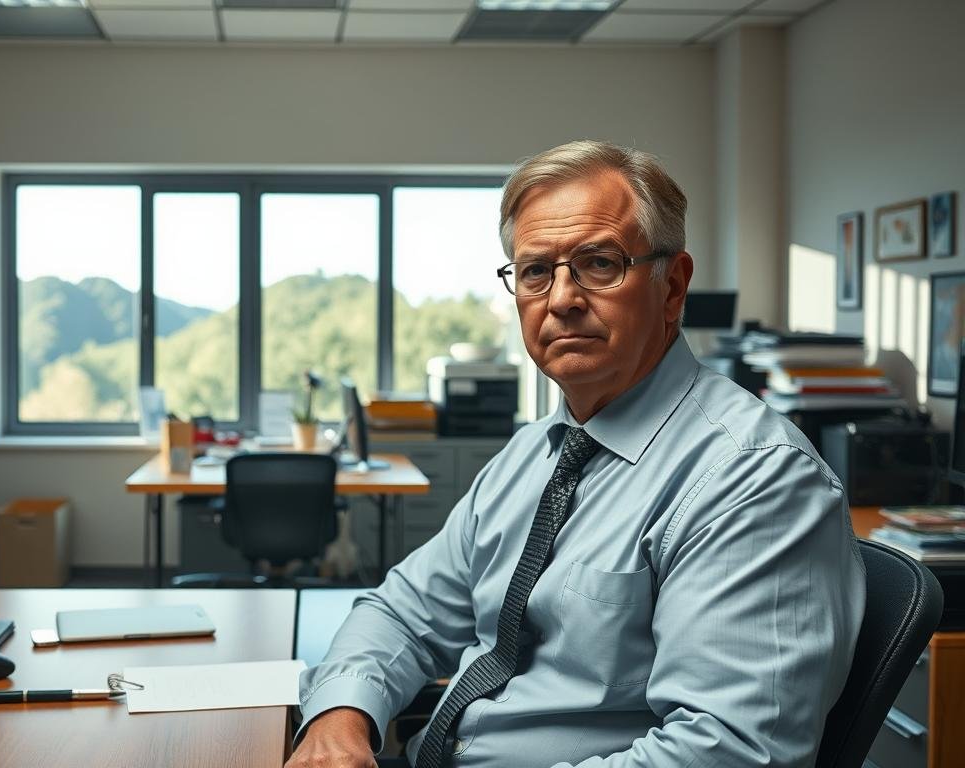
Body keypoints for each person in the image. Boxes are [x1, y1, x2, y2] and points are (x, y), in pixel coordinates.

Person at [286, 140, 865, 768]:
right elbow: (403, 610)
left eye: (598, 263)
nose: (561, 297)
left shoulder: (752, 478)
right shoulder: (531, 454)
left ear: (672, 287)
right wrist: (338, 722)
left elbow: (728, 751)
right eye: (535, 271)